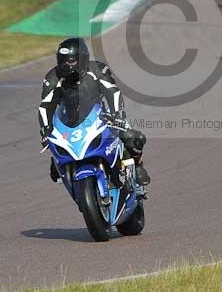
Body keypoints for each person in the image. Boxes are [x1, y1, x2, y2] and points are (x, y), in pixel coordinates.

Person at [38, 38, 150, 186]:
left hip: (100, 112)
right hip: (69, 117)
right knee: (56, 144)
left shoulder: (97, 70)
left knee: (133, 137)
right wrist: (45, 130)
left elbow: (113, 92)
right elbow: (46, 105)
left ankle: (137, 165)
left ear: (82, 59)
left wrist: (118, 115)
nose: (66, 66)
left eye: (70, 61)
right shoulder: (53, 77)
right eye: (62, 61)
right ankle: (60, 165)